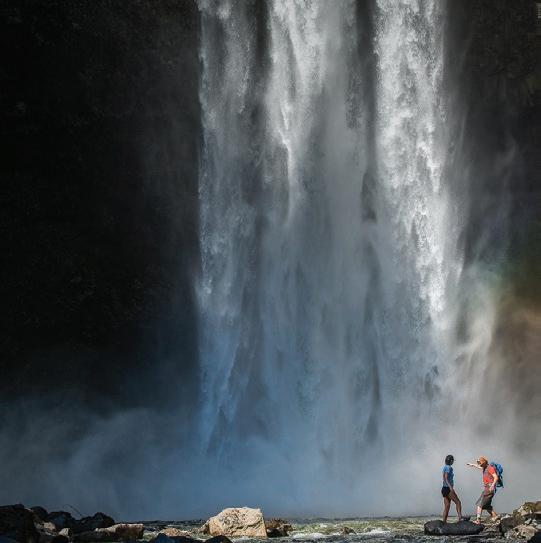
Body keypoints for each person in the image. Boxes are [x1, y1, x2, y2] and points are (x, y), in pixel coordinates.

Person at [466, 456, 500, 523]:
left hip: (489, 488)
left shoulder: (490, 468)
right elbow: (479, 467)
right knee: (487, 506)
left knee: (479, 504)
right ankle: (496, 517)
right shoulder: (485, 467)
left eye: (481, 463)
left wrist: (492, 485)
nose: (480, 465)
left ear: (484, 463)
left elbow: (496, 477)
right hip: (488, 488)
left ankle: (478, 520)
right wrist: (472, 465)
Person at [441, 454, 463, 522]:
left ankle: (444, 522)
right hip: (448, 488)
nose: (453, 462)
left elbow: (444, 478)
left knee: (447, 506)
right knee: (458, 502)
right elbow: (445, 478)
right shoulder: (449, 468)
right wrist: (450, 487)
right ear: (450, 461)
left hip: (444, 488)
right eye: (453, 460)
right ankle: (460, 518)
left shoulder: (445, 467)